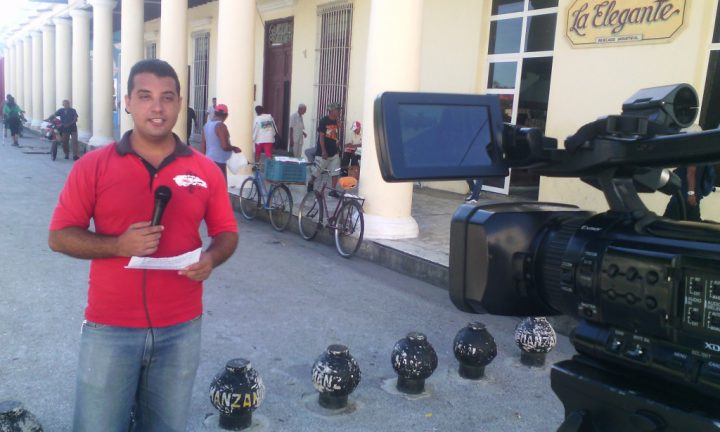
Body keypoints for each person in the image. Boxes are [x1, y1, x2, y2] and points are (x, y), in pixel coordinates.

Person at [47, 59, 239, 431]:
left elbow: (227, 232)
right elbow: (59, 235)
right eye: (146, 96)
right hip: (110, 326)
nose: (157, 107)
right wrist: (118, 245)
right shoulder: (93, 165)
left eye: (167, 97)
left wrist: (211, 259)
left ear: (180, 103)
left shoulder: (204, 170)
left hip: (182, 327)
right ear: (128, 102)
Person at [308, 102, 343, 197]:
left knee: (335, 171)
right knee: (317, 170)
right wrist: (323, 150)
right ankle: (311, 182)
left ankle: (333, 190)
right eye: (337, 110)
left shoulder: (336, 121)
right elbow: (321, 136)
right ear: (331, 110)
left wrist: (337, 141)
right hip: (323, 151)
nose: (339, 111)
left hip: (334, 151)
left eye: (339, 110)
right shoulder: (324, 121)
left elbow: (335, 134)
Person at [201, 103, 241, 181]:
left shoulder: (206, 125)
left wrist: (202, 161)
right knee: (221, 187)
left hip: (208, 160)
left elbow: (203, 146)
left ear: (215, 113)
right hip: (219, 162)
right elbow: (225, 146)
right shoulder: (221, 126)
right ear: (226, 115)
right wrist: (234, 148)